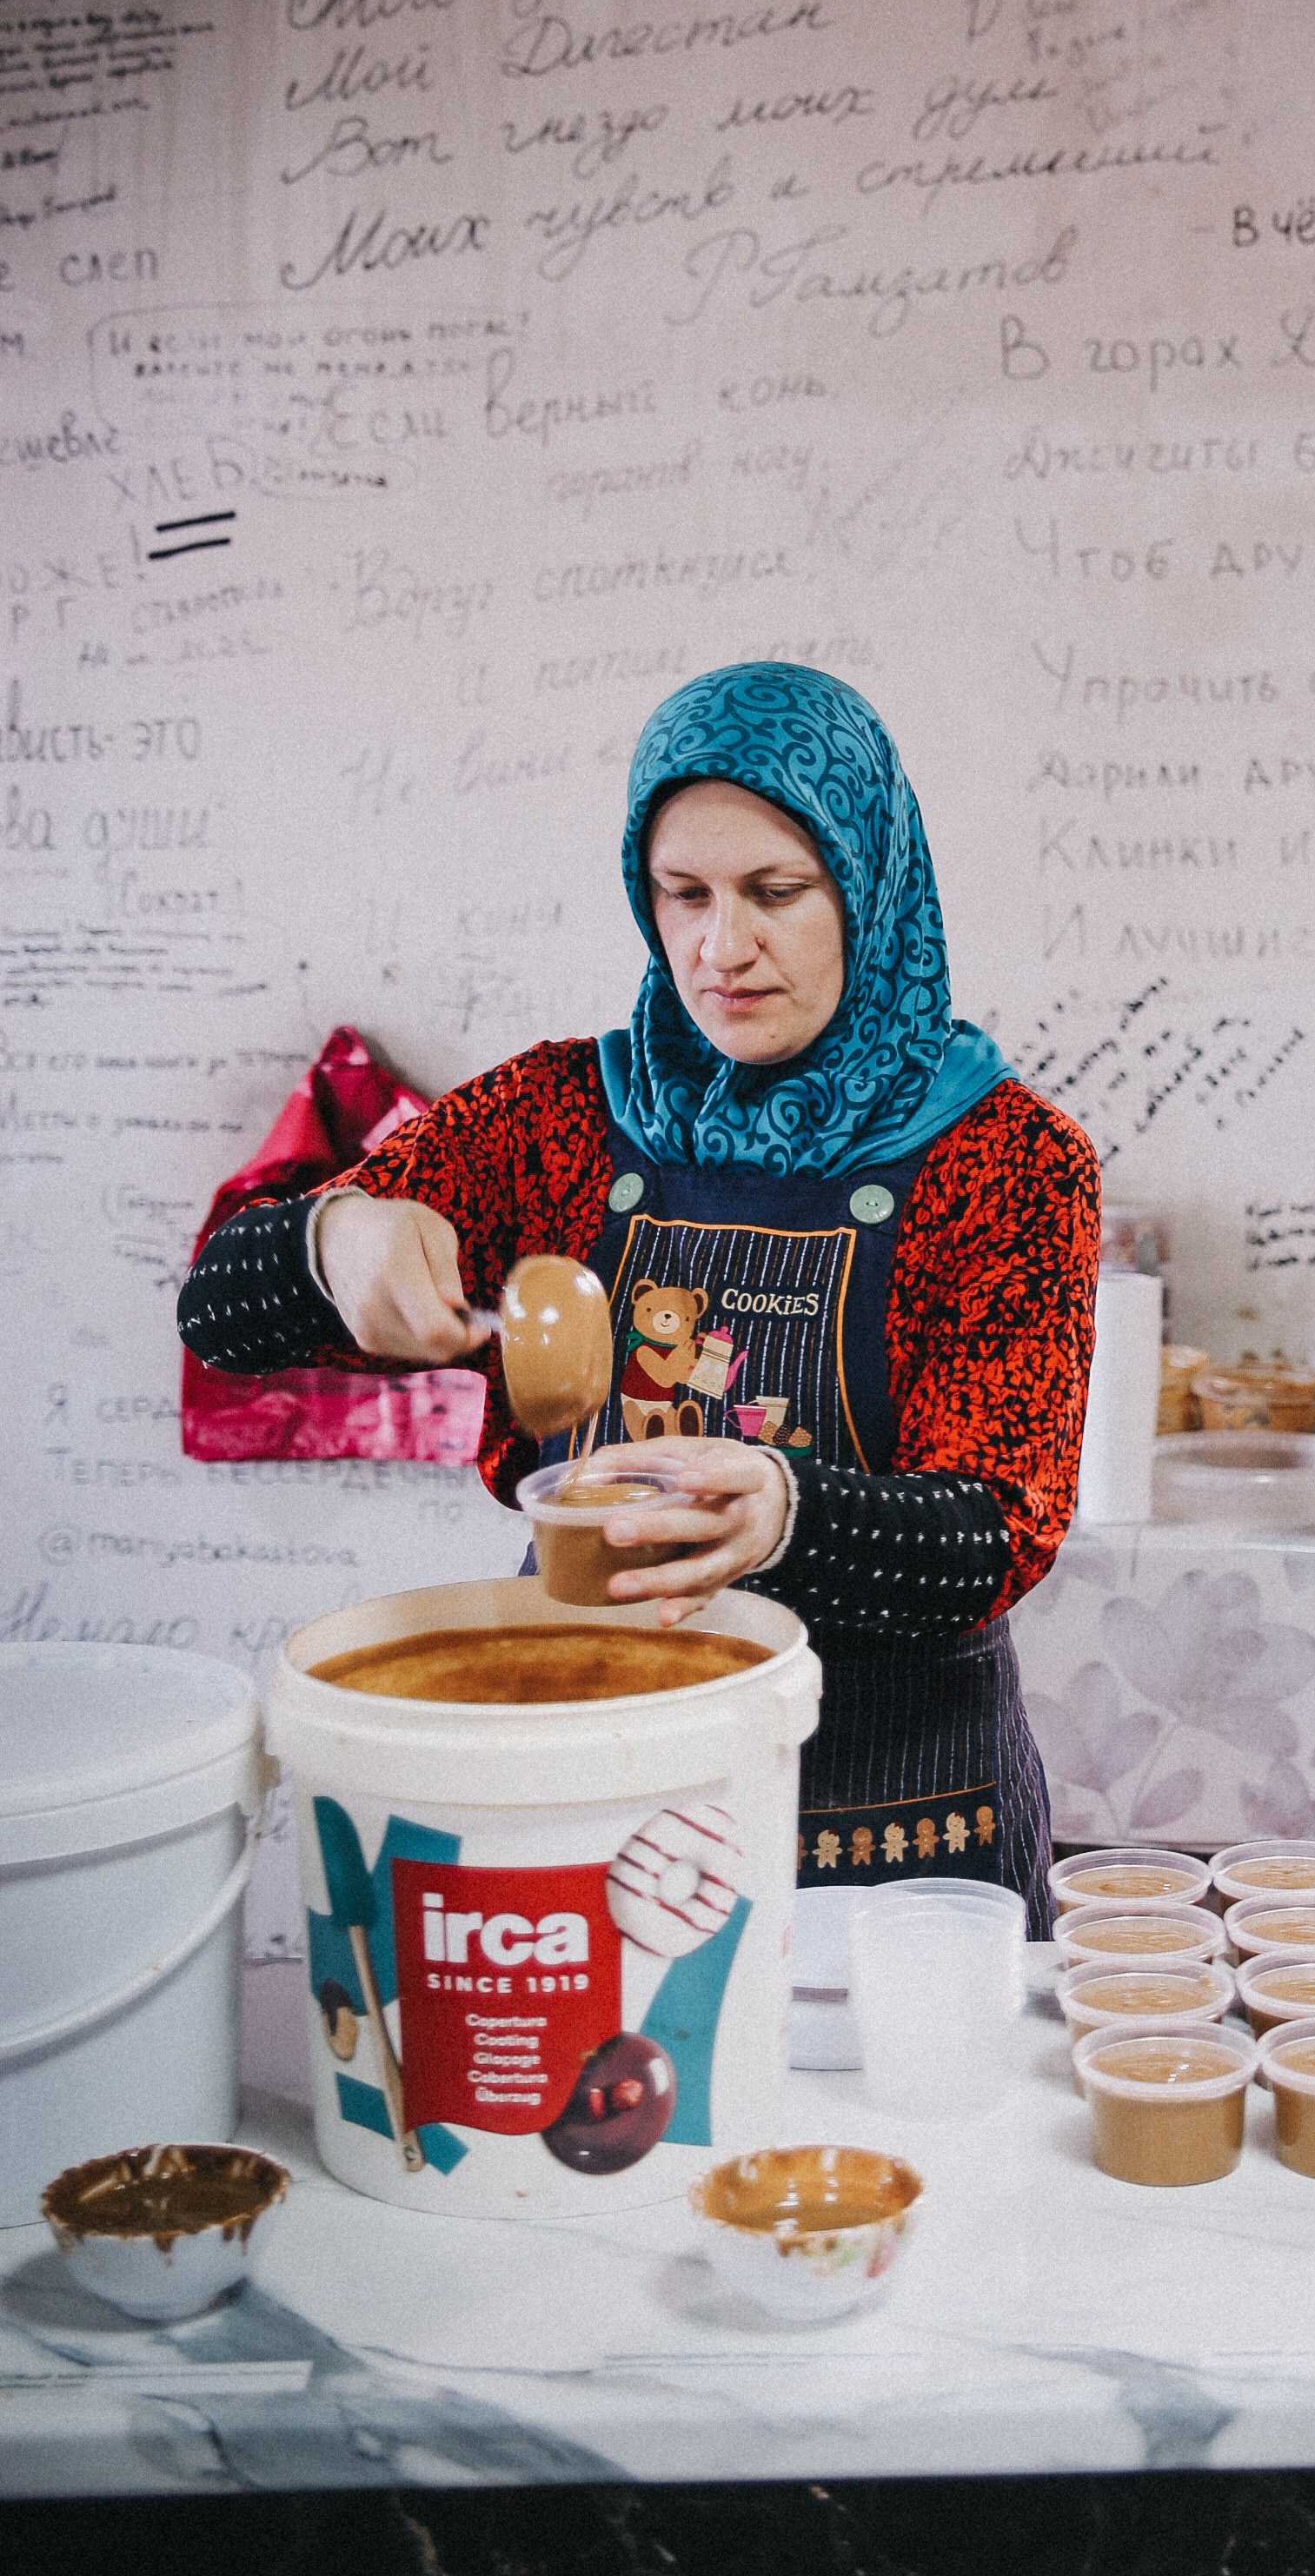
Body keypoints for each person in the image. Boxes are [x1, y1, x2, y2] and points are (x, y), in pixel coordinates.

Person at [179, 662, 1100, 1929]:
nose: (723, 948)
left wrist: (782, 1513)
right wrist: (335, 1242)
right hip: (593, 1790)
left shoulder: (1003, 1161)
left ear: (870, 887)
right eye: (685, 895)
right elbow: (219, 1320)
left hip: (894, 1844)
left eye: (778, 893)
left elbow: (996, 1531)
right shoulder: (557, 1121)